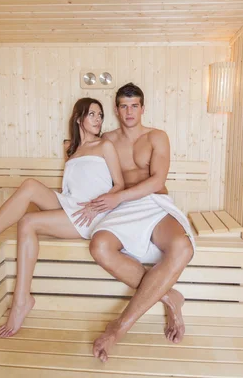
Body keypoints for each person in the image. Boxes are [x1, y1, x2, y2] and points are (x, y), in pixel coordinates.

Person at [0, 97, 124, 338]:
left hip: (91, 213)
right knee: (30, 185)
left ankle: (21, 300)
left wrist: (96, 206)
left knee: (28, 222)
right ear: (78, 118)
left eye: (100, 115)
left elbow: (120, 185)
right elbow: (74, 187)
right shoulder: (71, 149)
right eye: (92, 114)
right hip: (70, 202)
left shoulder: (105, 146)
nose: (98, 120)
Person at [74, 83, 196, 362]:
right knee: (99, 246)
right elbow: (86, 166)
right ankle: (169, 295)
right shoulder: (107, 140)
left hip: (154, 202)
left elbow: (157, 180)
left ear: (142, 108)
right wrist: (91, 203)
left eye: (135, 106)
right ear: (116, 109)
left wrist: (118, 198)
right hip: (123, 207)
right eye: (123, 106)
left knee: (183, 248)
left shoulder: (157, 137)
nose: (129, 111)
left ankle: (119, 328)